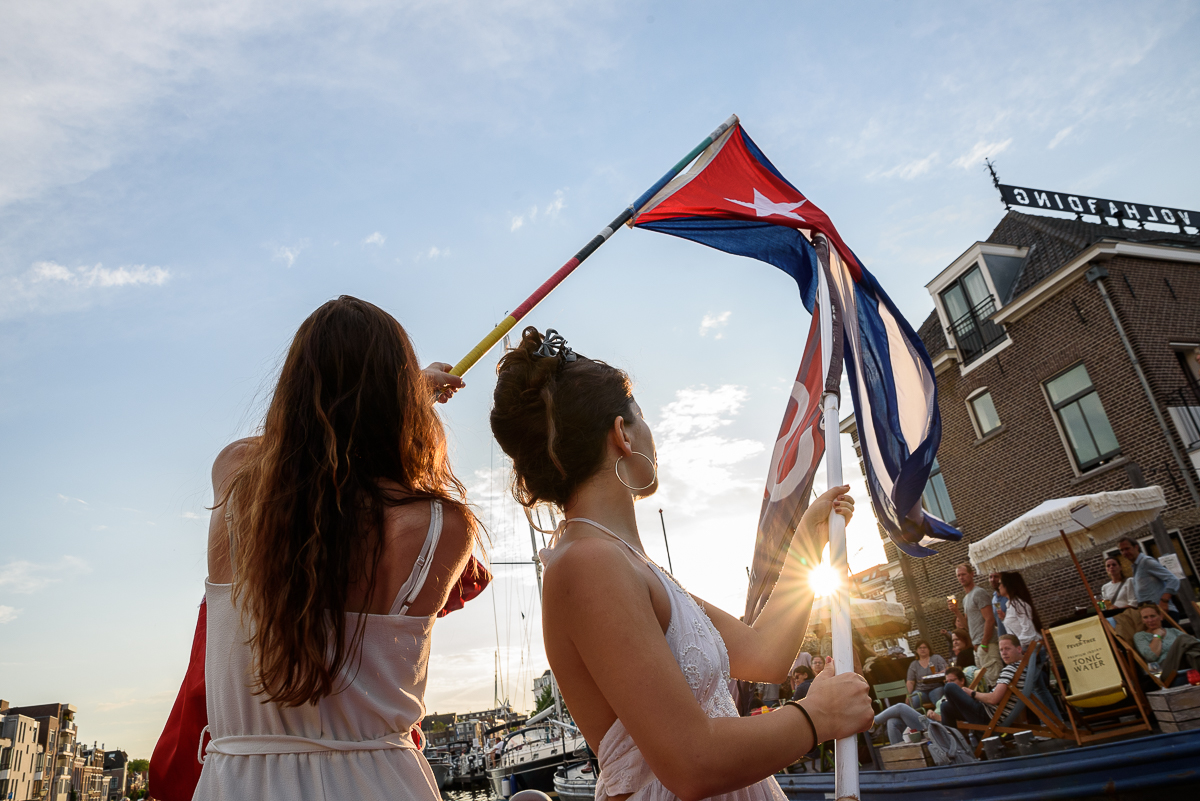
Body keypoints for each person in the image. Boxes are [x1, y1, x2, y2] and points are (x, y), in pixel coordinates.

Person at [489, 327, 874, 801]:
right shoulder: (588, 563)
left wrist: (806, 546)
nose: (652, 434)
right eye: (642, 418)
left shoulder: (629, 562)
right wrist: (818, 717)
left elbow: (765, 655)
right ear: (622, 434)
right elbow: (692, 762)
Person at [194, 297, 481, 801]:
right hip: (382, 781)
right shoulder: (439, 525)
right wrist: (407, 399)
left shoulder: (236, 477)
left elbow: (291, 450)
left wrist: (400, 389)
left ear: (291, 393)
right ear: (400, 397)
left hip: (241, 784)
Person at [996, 572, 1061, 725]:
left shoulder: (1018, 604)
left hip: (1031, 650)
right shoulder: (1010, 605)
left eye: (1000, 584)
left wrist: (1017, 646)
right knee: (1040, 688)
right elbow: (1015, 631)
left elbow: (1029, 631)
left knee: (1029, 688)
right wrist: (1005, 620)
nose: (998, 587)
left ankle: (1048, 723)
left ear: (1008, 586)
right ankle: (1056, 721)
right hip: (1026, 649)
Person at [938, 635, 1026, 741]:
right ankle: (956, 744)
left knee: (950, 687)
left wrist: (972, 693)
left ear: (1019, 649)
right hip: (987, 712)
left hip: (987, 716)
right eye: (1001, 650)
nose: (1003, 653)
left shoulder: (1011, 669)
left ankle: (965, 741)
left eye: (1007, 649)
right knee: (945, 707)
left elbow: (993, 699)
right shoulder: (1021, 667)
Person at [952, 564, 1001, 685]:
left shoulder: (979, 593)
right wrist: (956, 611)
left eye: (963, 574)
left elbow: (990, 619)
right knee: (986, 684)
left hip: (987, 645)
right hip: (977, 648)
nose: (961, 577)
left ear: (972, 574)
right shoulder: (965, 598)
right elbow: (967, 625)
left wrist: (984, 643)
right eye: (958, 575)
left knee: (995, 681)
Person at [1134, 603, 1200, 685]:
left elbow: (1195, 642)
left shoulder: (1172, 631)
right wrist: (1157, 636)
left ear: (1160, 616)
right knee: (1183, 639)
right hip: (1163, 670)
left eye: (1152, 616)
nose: (1150, 620)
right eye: (1145, 617)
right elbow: (1151, 656)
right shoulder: (1140, 636)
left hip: (1183, 664)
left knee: (1191, 654)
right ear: (1142, 620)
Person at [1117, 537, 1181, 614]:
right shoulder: (1136, 566)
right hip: (1151, 615)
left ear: (1136, 547)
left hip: (1163, 613)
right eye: (1122, 550)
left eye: (1127, 548)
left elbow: (1173, 579)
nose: (1125, 552)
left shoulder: (1146, 562)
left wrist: (1164, 601)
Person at [905, 641, 948, 708]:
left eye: (925, 647)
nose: (922, 649)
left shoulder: (936, 658)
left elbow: (946, 670)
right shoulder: (914, 664)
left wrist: (940, 673)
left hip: (936, 687)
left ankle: (940, 716)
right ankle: (916, 717)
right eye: (920, 648)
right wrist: (908, 695)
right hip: (920, 690)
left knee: (939, 699)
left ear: (929, 649)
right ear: (916, 650)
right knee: (914, 699)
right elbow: (910, 681)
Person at [989, 573, 1008, 638]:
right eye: (990, 577)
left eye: (996, 577)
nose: (993, 579)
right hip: (1003, 638)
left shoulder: (1009, 597)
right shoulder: (994, 599)